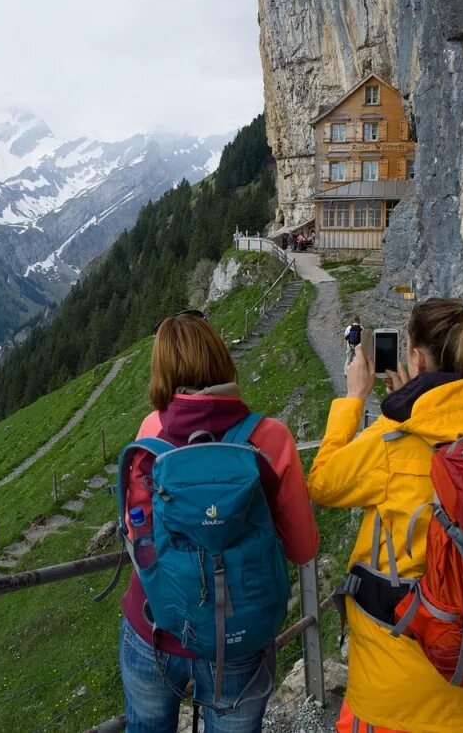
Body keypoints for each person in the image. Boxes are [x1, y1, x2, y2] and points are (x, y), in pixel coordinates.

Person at [308, 298, 463, 733]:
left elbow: (323, 482)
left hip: (397, 699)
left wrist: (356, 401)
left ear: (417, 358)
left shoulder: (394, 441)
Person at [120, 311, 320, 733]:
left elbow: (140, 536)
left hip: (155, 625)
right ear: (221, 359)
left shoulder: (152, 431)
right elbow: (303, 548)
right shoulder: (271, 438)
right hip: (240, 637)